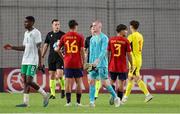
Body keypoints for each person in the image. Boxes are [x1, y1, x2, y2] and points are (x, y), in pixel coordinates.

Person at [4, 16, 49, 107]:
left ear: (32, 22)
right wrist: (12, 47)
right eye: (24, 22)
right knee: (25, 81)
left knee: (29, 80)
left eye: (27, 22)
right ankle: (25, 103)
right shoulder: (26, 33)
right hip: (25, 60)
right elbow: (24, 47)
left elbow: (39, 48)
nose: (25, 24)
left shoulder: (36, 32)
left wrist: (40, 63)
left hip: (33, 60)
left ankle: (45, 94)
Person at [88, 20, 120, 107]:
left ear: (99, 27)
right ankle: (91, 102)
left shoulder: (104, 38)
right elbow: (91, 52)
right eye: (92, 26)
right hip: (93, 64)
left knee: (105, 84)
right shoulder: (91, 39)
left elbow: (104, 51)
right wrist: (90, 64)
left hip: (102, 65)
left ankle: (116, 97)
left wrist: (98, 60)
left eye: (95, 26)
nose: (93, 27)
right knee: (91, 81)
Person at [54, 20, 85, 106]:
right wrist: (84, 61)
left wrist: (63, 57)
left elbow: (57, 49)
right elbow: (82, 50)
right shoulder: (80, 36)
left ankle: (68, 102)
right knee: (79, 82)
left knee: (68, 82)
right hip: (77, 62)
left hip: (67, 62)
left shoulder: (64, 36)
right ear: (75, 26)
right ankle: (78, 102)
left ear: (69, 26)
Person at [122, 20, 153, 103]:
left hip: (133, 60)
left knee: (135, 78)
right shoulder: (140, 36)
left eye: (130, 26)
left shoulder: (132, 36)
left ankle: (147, 94)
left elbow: (125, 45)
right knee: (131, 78)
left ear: (131, 26)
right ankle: (125, 98)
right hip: (139, 58)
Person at [108, 24, 134, 103]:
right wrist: (131, 64)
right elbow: (129, 54)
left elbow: (108, 53)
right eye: (125, 30)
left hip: (112, 65)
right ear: (121, 31)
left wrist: (108, 63)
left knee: (111, 81)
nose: (126, 31)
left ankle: (113, 95)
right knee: (121, 84)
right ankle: (118, 100)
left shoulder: (111, 40)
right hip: (122, 66)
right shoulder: (125, 41)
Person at [42, 19, 65, 99]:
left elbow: (66, 46)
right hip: (51, 57)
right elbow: (45, 45)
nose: (57, 26)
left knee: (59, 75)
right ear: (52, 25)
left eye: (58, 24)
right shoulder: (49, 34)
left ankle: (63, 89)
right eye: (55, 24)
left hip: (60, 57)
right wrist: (42, 55)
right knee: (52, 75)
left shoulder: (63, 35)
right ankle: (53, 94)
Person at [85, 25, 101, 100]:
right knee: (90, 78)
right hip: (89, 61)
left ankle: (96, 94)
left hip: (98, 61)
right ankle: (93, 92)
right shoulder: (88, 39)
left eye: (95, 29)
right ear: (90, 30)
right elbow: (85, 50)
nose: (94, 30)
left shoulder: (100, 38)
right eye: (92, 29)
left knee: (98, 78)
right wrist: (84, 58)